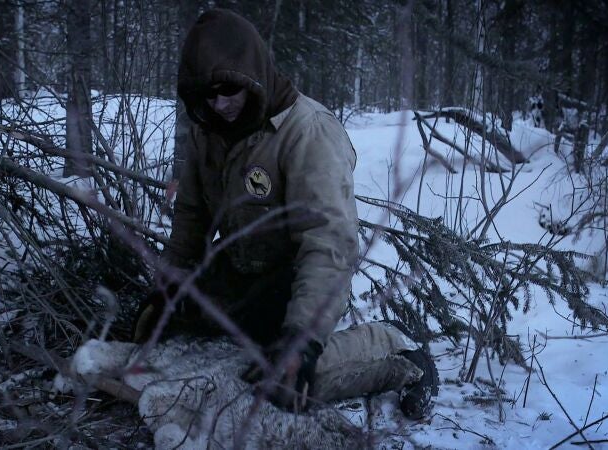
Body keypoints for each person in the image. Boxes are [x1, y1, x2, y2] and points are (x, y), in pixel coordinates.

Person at [134, 8, 437, 419]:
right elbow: (190, 220)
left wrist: (302, 339)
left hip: (300, 285)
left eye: (229, 90)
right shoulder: (208, 131)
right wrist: (167, 290)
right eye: (208, 94)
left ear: (253, 77)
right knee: (172, 342)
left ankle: (396, 347)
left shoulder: (307, 132)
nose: (220, 104)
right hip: (242, 275)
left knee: (281, 382)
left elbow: (328, 242)